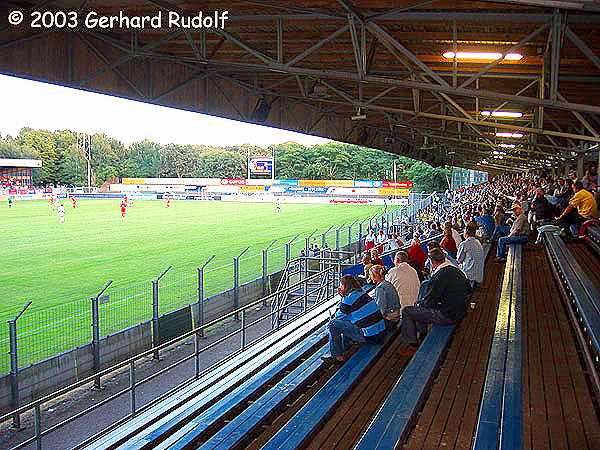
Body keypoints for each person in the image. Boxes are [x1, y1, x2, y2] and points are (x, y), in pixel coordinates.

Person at [400, 248, 470, 356]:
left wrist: (420, 304)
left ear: (432, 262)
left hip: (448, 315)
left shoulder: (438, 276)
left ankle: (412, 344)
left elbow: (428, 303)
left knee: (408, 311)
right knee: (420, 307)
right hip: (461, 311)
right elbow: (468, 288)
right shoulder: (455, 270)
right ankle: (422, 334)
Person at [321, 275, 386, 363]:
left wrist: (343, 297)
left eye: (341, 285)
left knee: (332, 324)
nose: (340, 287)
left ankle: (336, 355)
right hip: (380, 332)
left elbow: (338, 316)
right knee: (347, 319)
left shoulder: (349, 298)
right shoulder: (361, 292)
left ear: (345, 286)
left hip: (370, 337)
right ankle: (346, 346)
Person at [370, 265, 401, 329]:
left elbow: (381, 310)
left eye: (371, 275)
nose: (370, 278)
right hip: (396, 314)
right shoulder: (387, 284)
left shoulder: (380, 288)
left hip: (391, 318)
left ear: (375, 275)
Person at [456, 224, 485, 290]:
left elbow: (459, 260)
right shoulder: (477, 241)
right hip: (479, 274)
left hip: (470, 273)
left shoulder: (464, 244)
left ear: (466, 232)